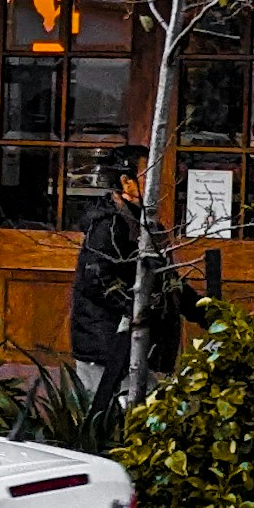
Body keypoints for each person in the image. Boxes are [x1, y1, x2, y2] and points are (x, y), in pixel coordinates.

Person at [69, 144, 195, 410]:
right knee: (114, 414)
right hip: (108, 346)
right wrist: (136, 308)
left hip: (130, 344)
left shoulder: (144, 223)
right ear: (126, 182)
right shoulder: (109, 224)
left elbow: (164, 279)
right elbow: (97, 280)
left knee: (141, 409)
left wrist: (203, 310)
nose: (157, 182)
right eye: (149, 175)